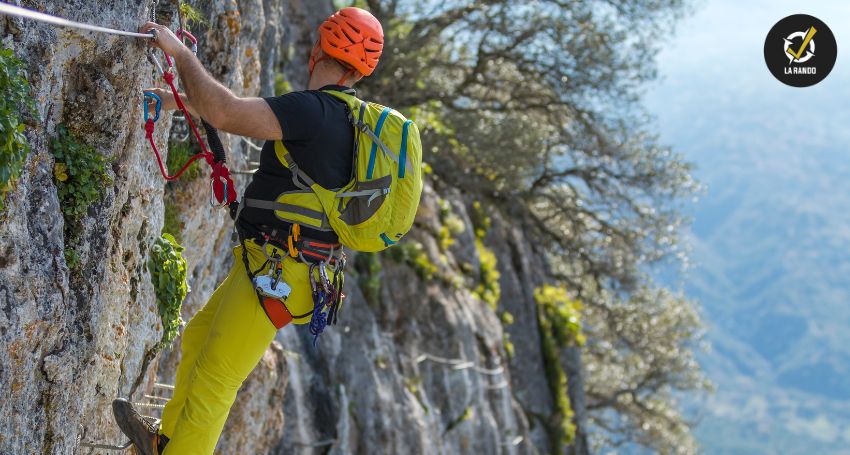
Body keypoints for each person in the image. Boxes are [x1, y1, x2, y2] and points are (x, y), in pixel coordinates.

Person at [112, 7, 384, 455]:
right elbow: (239, 116)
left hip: (279, 270)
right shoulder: (347, 119)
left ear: (319, 48)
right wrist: (172, 98)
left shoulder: (314, 111)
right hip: (278, 265)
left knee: (216, 382)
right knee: (200, 337)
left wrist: (179, 52)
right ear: (362, 67)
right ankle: (166, 442)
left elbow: (224, 112)